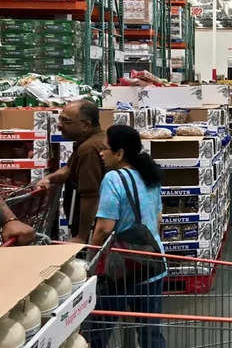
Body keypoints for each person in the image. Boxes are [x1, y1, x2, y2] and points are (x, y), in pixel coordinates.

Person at [90, 125, 166, 348]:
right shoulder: (149, 174)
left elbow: (104, 228)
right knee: (150, 333)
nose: (101, 154)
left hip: (121, 268)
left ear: (120, 153)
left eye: (105, 149)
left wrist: (92, 263)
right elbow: (158, 219)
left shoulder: (113, 179)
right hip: (151, 263)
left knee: (97, 331)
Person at [37, 100, 106, 243]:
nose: (59, 125)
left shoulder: (89, 150)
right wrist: (49, 178)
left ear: (86, 125)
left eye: (66, 121)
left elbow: (90, 196)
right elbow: (69, 169)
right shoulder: (92, 140)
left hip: (94, 229)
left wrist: (81, 236)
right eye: (60, 119)